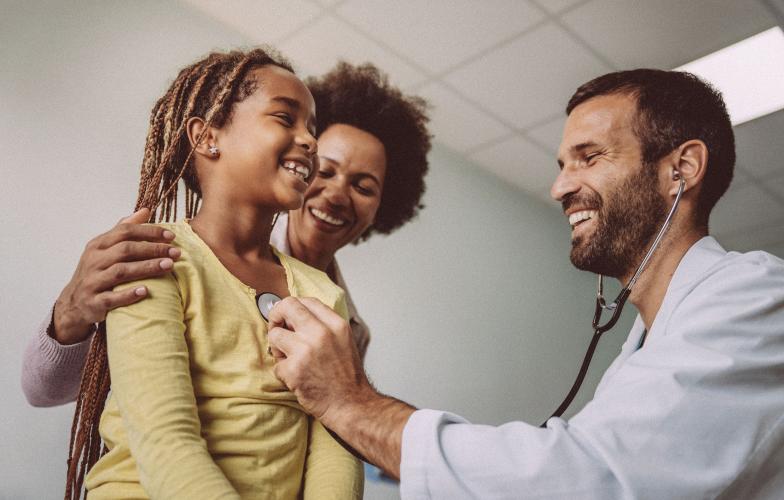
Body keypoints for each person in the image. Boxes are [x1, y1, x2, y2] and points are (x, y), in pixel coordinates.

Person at [265, 69, 784, 499]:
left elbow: (582, 477)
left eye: (590, 156)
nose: (559, 186)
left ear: (682, 169)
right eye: (562, 164)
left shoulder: (753, 296)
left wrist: (350, 402)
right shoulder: (647, 348)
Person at [20, 62, 431, 407]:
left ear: (384, 206)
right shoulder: (170, 257)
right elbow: (44, 392)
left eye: (363, 187)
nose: (338, 194)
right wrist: (71, 312)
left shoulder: (349, 329)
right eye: (326, 170)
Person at [66, 48, 365, 499]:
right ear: (207, 138)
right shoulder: (150, 256)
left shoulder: (323, 293)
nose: (309, 141)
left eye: (312, 129)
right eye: (286, 118)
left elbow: (337, 444)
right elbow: (165, 442)